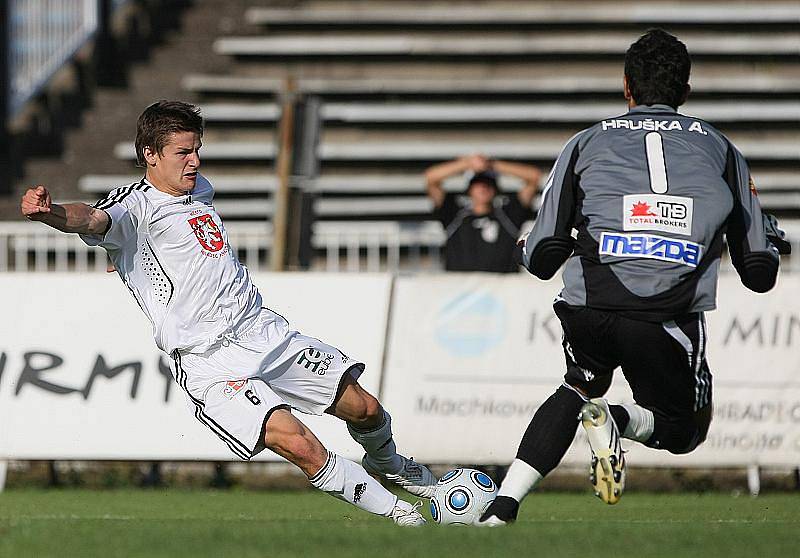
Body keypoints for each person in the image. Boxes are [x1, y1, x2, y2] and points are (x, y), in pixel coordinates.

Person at [20, 100, 436, 526]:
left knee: (365, 409)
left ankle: (390, 464)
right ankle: (408, 520)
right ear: (150, 154)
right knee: (302, 446)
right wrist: (50, 214)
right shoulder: (134, 207)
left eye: (197, 149)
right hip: (209, 361)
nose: (194, 161)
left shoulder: (199, 188)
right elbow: (91, 219)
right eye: (183, 152)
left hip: (262, 332)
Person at [479, 29, 790, 525]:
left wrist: (523, 248)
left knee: (578, 385)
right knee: (683, 431)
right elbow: (758, 271)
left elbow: (542, 257)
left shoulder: (584, 143)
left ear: (626, 86)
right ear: (685, 91)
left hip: (592, 305)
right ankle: (617, 421)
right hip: (664, 317)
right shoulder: (723, 150)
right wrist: (770, 239)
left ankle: (502, 507)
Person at [425, 154, 541, 272]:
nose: (483, 188)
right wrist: (467, 163)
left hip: (503, 287)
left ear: (495, 189)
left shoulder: (508, 214)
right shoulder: (455, 214)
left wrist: (491, 165)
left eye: (488, 184)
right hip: (460, 287)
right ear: (469, 189)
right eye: (477, 183)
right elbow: (431, 178)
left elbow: (534, 177)